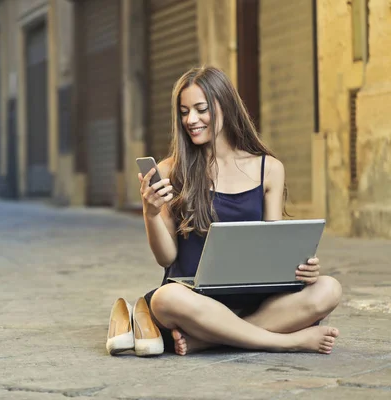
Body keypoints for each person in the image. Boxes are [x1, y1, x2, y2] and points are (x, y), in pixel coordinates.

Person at [115, 66, 342, 356]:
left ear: (226, 107)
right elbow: (166, 258)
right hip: (194, 300)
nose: (191, 120)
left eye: (201, 109)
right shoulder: (170, 170)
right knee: (164, 299)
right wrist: (150, 213)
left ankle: (212, 340)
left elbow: (272, 247)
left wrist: (301, 269)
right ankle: (285, 340)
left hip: (256, 299)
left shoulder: (268, 169)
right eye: (184, 112)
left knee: (329, 288)